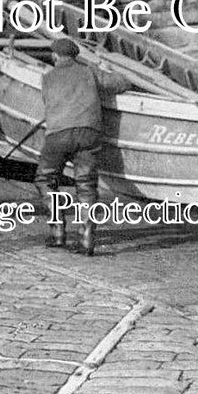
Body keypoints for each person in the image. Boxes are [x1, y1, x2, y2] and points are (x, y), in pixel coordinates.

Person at [38, 38, 129, 255]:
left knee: (44, 179)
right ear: (75, 55)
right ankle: (87, 240)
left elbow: (47, 101)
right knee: (86, 185)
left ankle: (58, 232)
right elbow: (120, 84)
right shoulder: (90, 71)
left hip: (58, 135)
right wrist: (111, 71)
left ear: (55, 56)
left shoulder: (47, 77)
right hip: (89, 133)